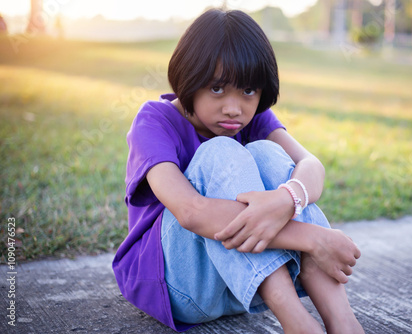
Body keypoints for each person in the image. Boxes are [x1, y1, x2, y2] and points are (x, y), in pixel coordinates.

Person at [113, 8, 364, 334]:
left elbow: (311, 165)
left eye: (248, 91)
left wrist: (287, 199)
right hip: (177, 285)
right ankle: (298, 323)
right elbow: (191, 212)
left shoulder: (253, 119)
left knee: (268, 153)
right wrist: (314, 238)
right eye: (217, 89)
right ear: (189, 79)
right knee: (220, 150)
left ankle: (343, 322)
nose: (234, 108)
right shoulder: (155, 121)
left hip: (237, 288)